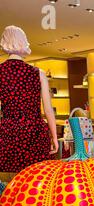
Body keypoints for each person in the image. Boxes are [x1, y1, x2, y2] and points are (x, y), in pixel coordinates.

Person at [0, 26, 58, 173]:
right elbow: (48, 110)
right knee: (37, 180)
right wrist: (55, 137)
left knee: (9, 181)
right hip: (35, 132)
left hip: (7, 133)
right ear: (24, 42)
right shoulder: (38, 73)